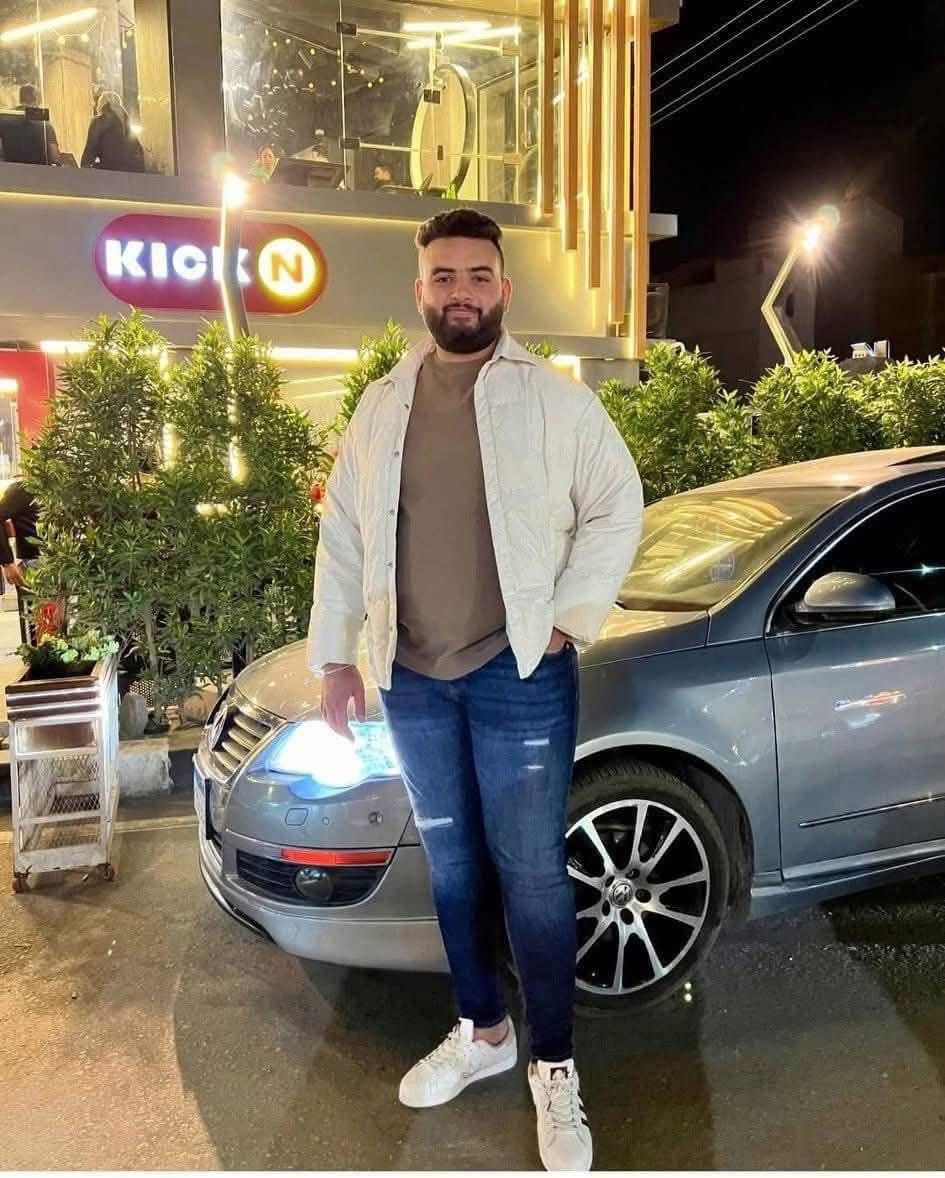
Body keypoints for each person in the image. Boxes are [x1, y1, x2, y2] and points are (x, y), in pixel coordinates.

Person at [308, 208, 643, 1171]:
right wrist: (335, 656)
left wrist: (569, 618)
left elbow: (616, 505)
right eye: (445, 276)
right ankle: (483, 1031)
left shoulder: (555, 402)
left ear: (504, 288)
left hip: (519, 671)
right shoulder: (381, 405)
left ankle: (553, 1066)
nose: (462, 292)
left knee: (531, 871)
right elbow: (344, 536)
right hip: (412, 676)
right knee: (452, 865)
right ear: (420, 290)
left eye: (478, 276)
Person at [0, 478, 40, 643]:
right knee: (36, 632)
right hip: (34, 566)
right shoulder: (22, 489)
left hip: (64, 564)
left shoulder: (65, 486)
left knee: (59, 626)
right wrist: (7, 562)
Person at [81, 91, 145, 172]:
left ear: (100, 105)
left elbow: (90, 149)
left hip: (111, 170)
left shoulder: (99, 121)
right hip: (133, 172)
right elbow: (139, 152)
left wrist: (84, 167)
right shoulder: (128, 125)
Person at [0, 84, 60, 165]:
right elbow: (54, 157)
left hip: (10, 170)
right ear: (37, 100)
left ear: (21, 98)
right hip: (38, 171)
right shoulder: (44, 123)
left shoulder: (5, 118)